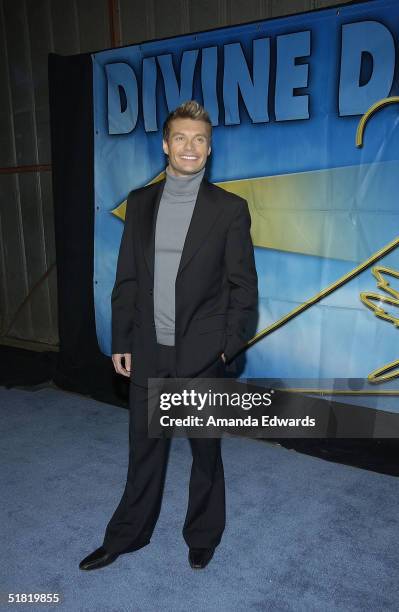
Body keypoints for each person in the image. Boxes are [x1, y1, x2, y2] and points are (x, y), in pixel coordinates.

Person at [79, 100, 258, 571]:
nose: (190, 147)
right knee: (144, 449)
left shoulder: (229, 210)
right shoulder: (139, 204)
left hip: (201, 355)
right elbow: (127, 280)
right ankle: (127, 536)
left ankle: (203, 535)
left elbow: (244, 288)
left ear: (210, 148)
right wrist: (121, 340)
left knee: (205, 451)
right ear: (165, 144)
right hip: (147, 350)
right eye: (181, 137)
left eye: (200, 139)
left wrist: (226, 346)